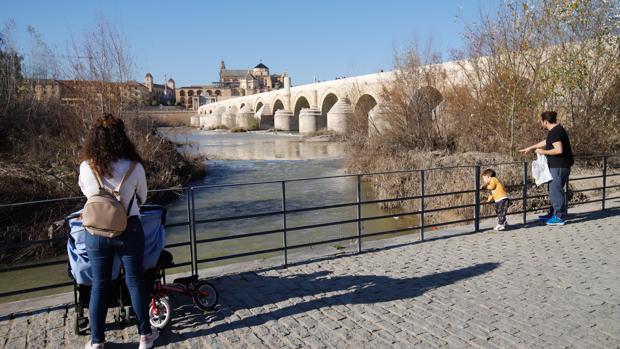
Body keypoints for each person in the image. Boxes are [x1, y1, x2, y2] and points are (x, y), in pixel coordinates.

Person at [79, 114, 158, 349]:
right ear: (122, 138)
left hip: (96, 231)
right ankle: (145, 336)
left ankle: (97, 341)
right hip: (130, 229)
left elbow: (86, 194)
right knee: (135, 282)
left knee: (99, 285)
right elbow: (142, 197)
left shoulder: (86, 167)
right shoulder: (134, 167)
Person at [519, 111, 573, 226]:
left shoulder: (556, 132)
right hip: (557, 166)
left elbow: (559, 150)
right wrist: (531, 147)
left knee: (555, 191)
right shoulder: (555, 131)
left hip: (559, 166)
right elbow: (547, 141)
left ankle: (559, 217)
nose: (541, 123)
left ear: (546, 121)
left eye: (541, 121)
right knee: (553, 190)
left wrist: (543, 152)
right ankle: (553, 212)